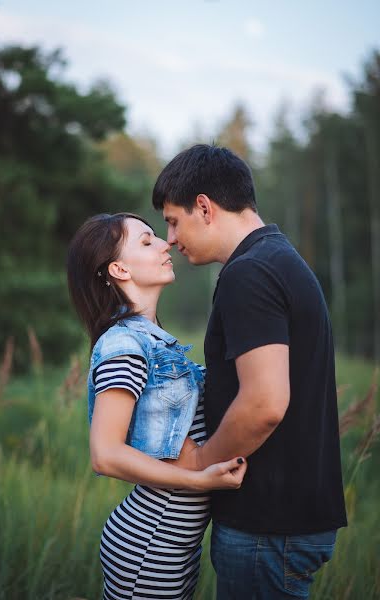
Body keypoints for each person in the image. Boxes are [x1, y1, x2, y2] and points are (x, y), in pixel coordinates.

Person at [152, 144, 348, 600]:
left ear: (204, 206)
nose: (169, 239)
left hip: (268, 527)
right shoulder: (276, 259)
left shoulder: (251, 273)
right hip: (287, 522)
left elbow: (264, 403)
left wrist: (200, 463)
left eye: (173, 220)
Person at [67, 212, 247, 600]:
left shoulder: (153, 339)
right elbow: (106, 455)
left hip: (172, 540)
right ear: (118, 268)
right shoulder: (124, 345)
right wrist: (200, 480)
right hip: (151, 540)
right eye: (147, 242)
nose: (166, 244)